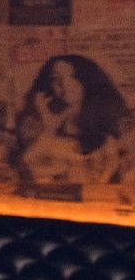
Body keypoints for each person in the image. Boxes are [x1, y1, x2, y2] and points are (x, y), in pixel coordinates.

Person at [12, 52, 130, 188]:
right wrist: (49, 128)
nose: (63, 84)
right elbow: (25, 168)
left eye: (72, 77)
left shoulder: (112, 120)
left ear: (87, 80)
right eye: (55, 79)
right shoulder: (36, 121)